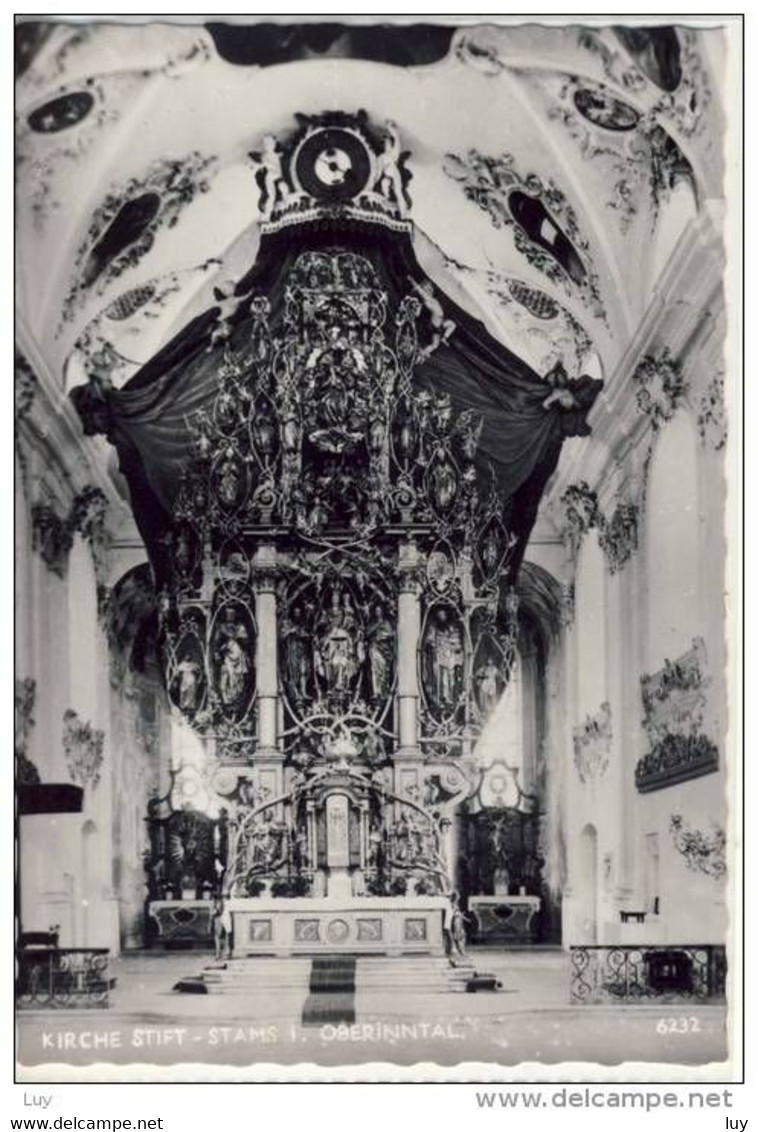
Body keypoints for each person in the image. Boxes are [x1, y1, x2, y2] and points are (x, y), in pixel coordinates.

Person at [212, 896, 232, 961]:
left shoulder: (223, 903)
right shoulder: (219, 902)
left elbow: (218, 910)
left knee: (224, 936)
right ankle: (220, 953)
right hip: (220, 918)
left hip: (223, 917)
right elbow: (215, 911)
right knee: (219, 936)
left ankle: (225, 953)